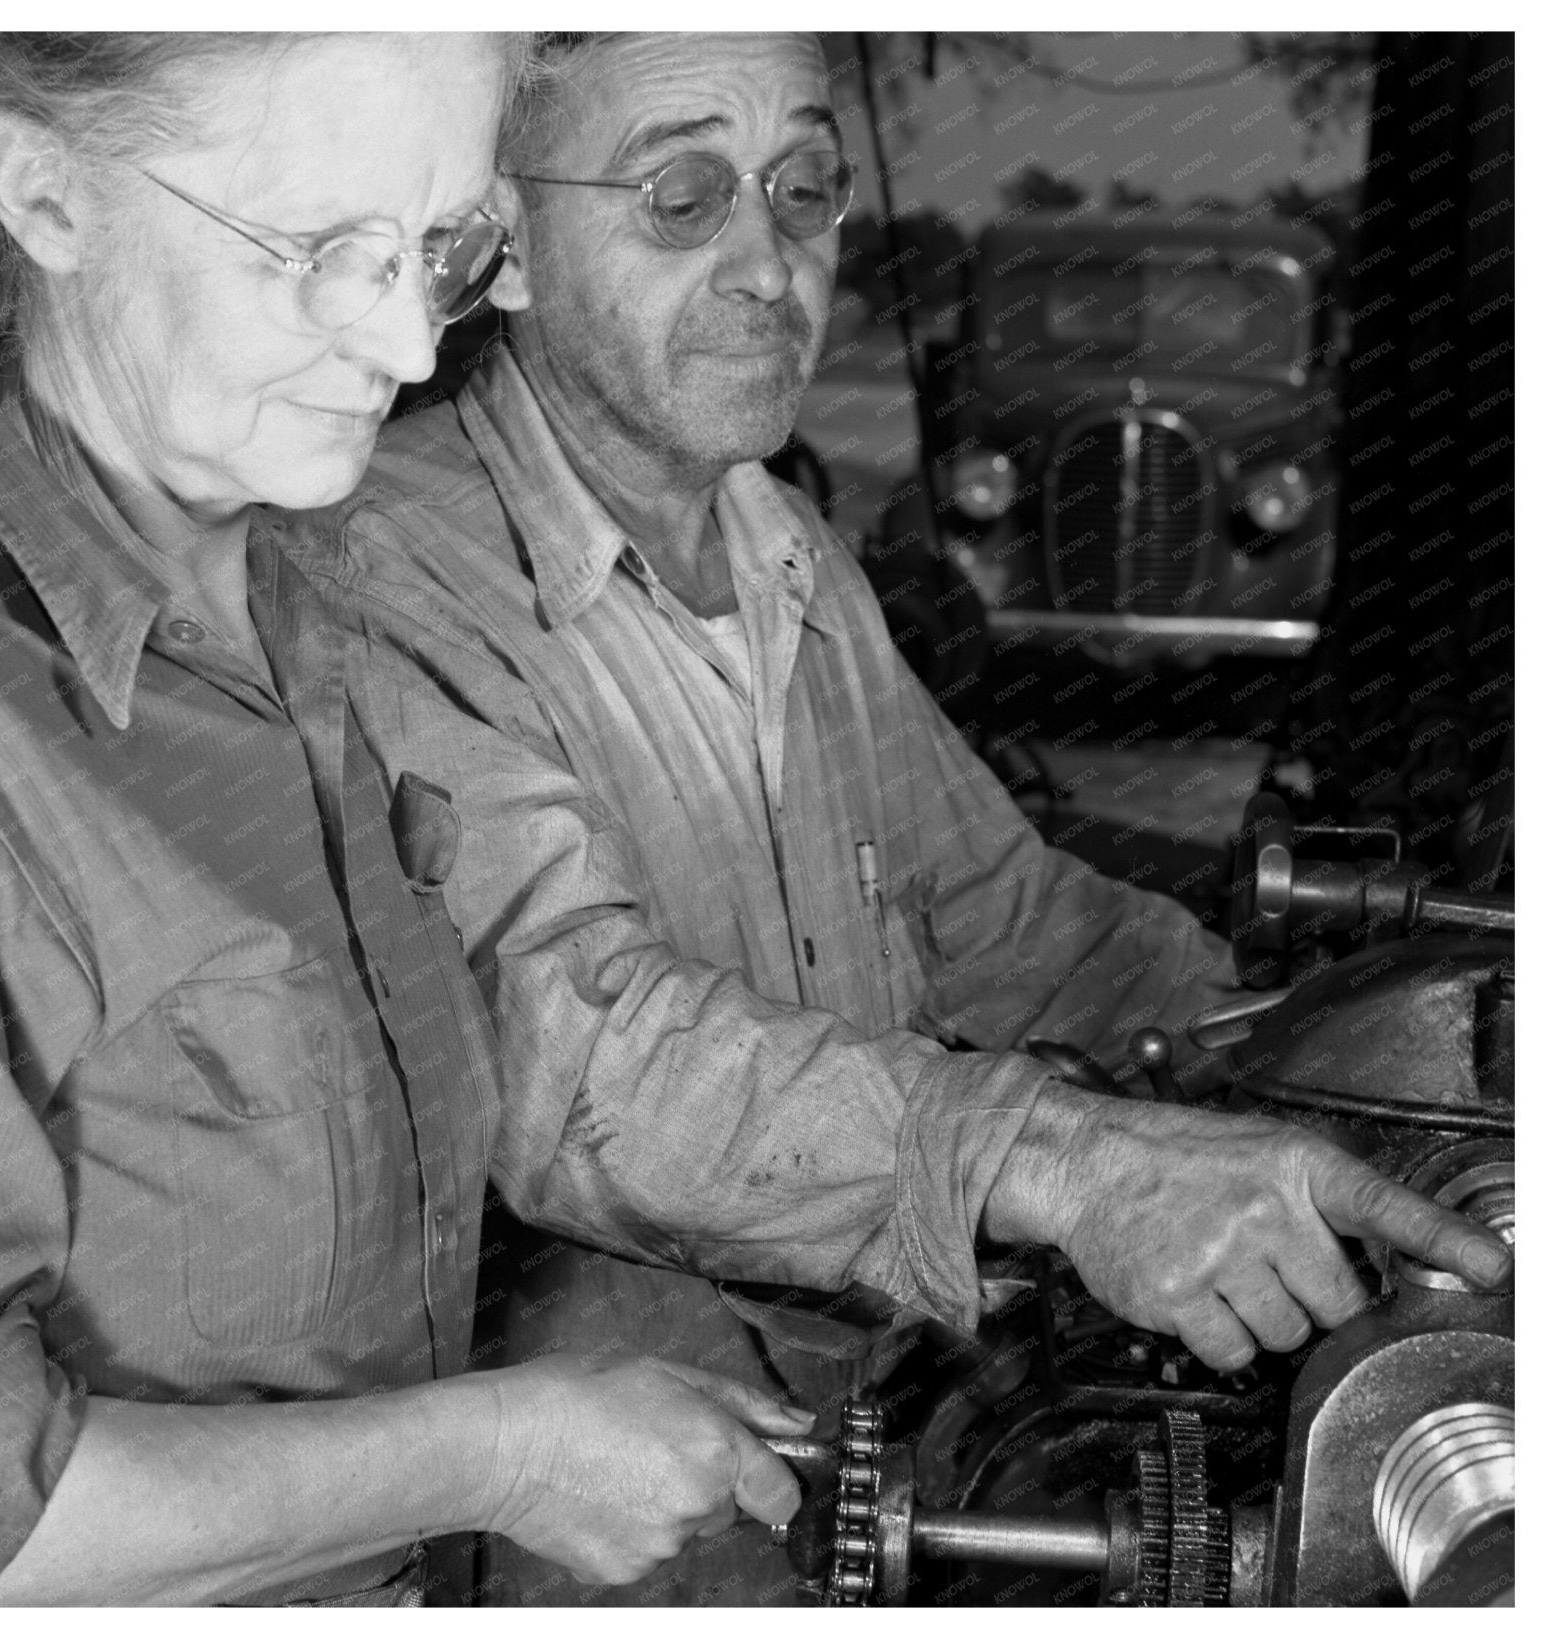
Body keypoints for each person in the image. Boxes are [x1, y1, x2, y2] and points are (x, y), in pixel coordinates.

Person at [0, 33, 822, 1608]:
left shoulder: (303, 599)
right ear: (47, 194)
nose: (401, 340)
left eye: (444, 248)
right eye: (318, 251)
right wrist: (498, 1456)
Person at [288, 31, 1514, 1605]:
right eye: (680, 195)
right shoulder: (379, 576)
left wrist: (1339, 1067)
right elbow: (573, 1061)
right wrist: (1076, 1164)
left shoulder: (782, 545)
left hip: (873, 1386)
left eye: (804, 189)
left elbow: (1021, 926)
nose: (769, 265)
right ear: (502, 246)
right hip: (605, 1454)